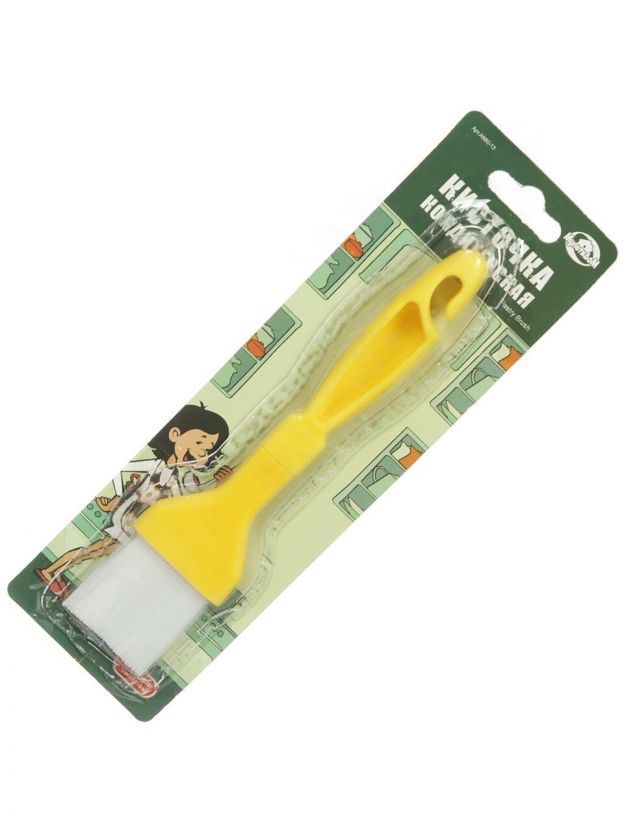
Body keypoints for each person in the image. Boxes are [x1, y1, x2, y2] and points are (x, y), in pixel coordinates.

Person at [35, 404, 231, 596]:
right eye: (199, 444)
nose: (201, 454)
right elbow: (129, 471)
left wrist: (217, 483)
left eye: (208, 451)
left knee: (97, 552)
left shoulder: (175, 476)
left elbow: (182, 501)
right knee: (94, 549)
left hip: (137, 523)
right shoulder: (157, 466)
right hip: (128, 517)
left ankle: (56, 574)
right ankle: (51, 571)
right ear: (175, 434)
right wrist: (117, 499)